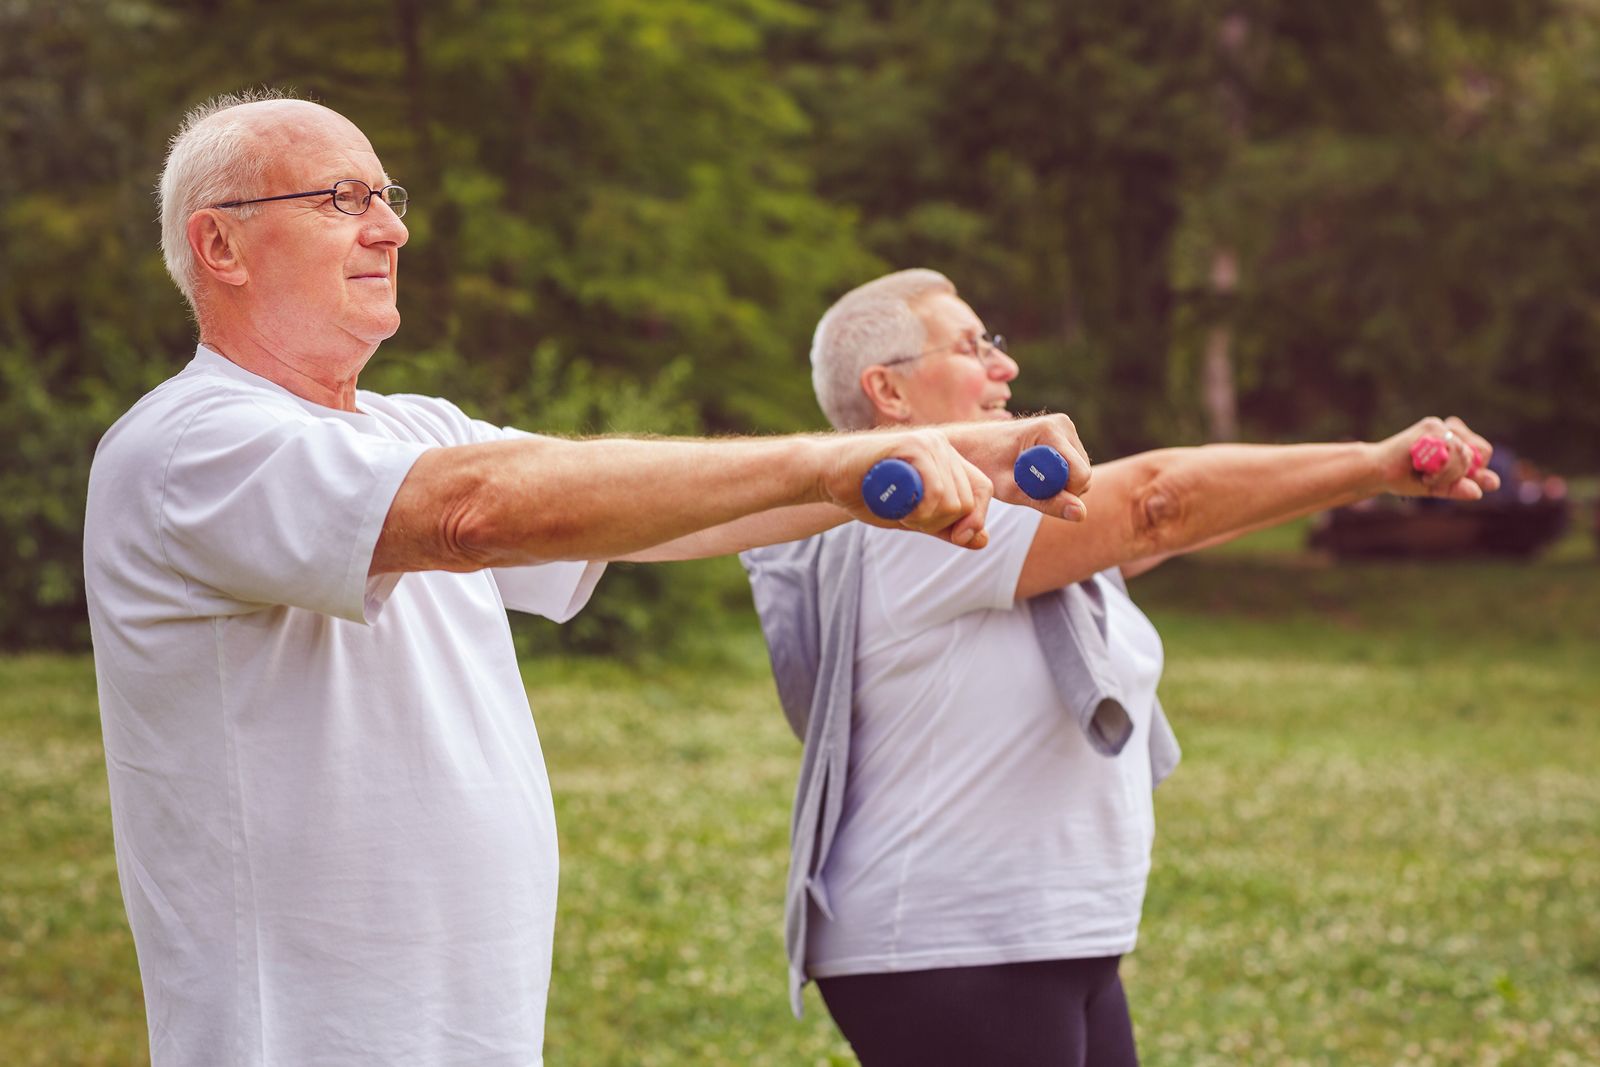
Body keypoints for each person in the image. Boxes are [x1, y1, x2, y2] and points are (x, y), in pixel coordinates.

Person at [82, 95, 1091, 1067]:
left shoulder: (409, 426)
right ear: (220, 244)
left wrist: (948, 447)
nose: (390, 229)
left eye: (390, 197)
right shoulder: (190, 444)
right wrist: (826, 465)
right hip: (307, 1039)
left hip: (465, 1028)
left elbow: (673, 514)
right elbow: (474, 511)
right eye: (343, 198)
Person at [741, 268, 1498, 1067]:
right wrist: (1373, 466)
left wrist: (1363, 482)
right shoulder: (919, 526)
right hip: (952, 946)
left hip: (1034, 941)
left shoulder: (999, 532)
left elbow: (1165, 529)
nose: (1006, 367)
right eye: (971, 346)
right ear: (887, 393)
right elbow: (1154, 505)